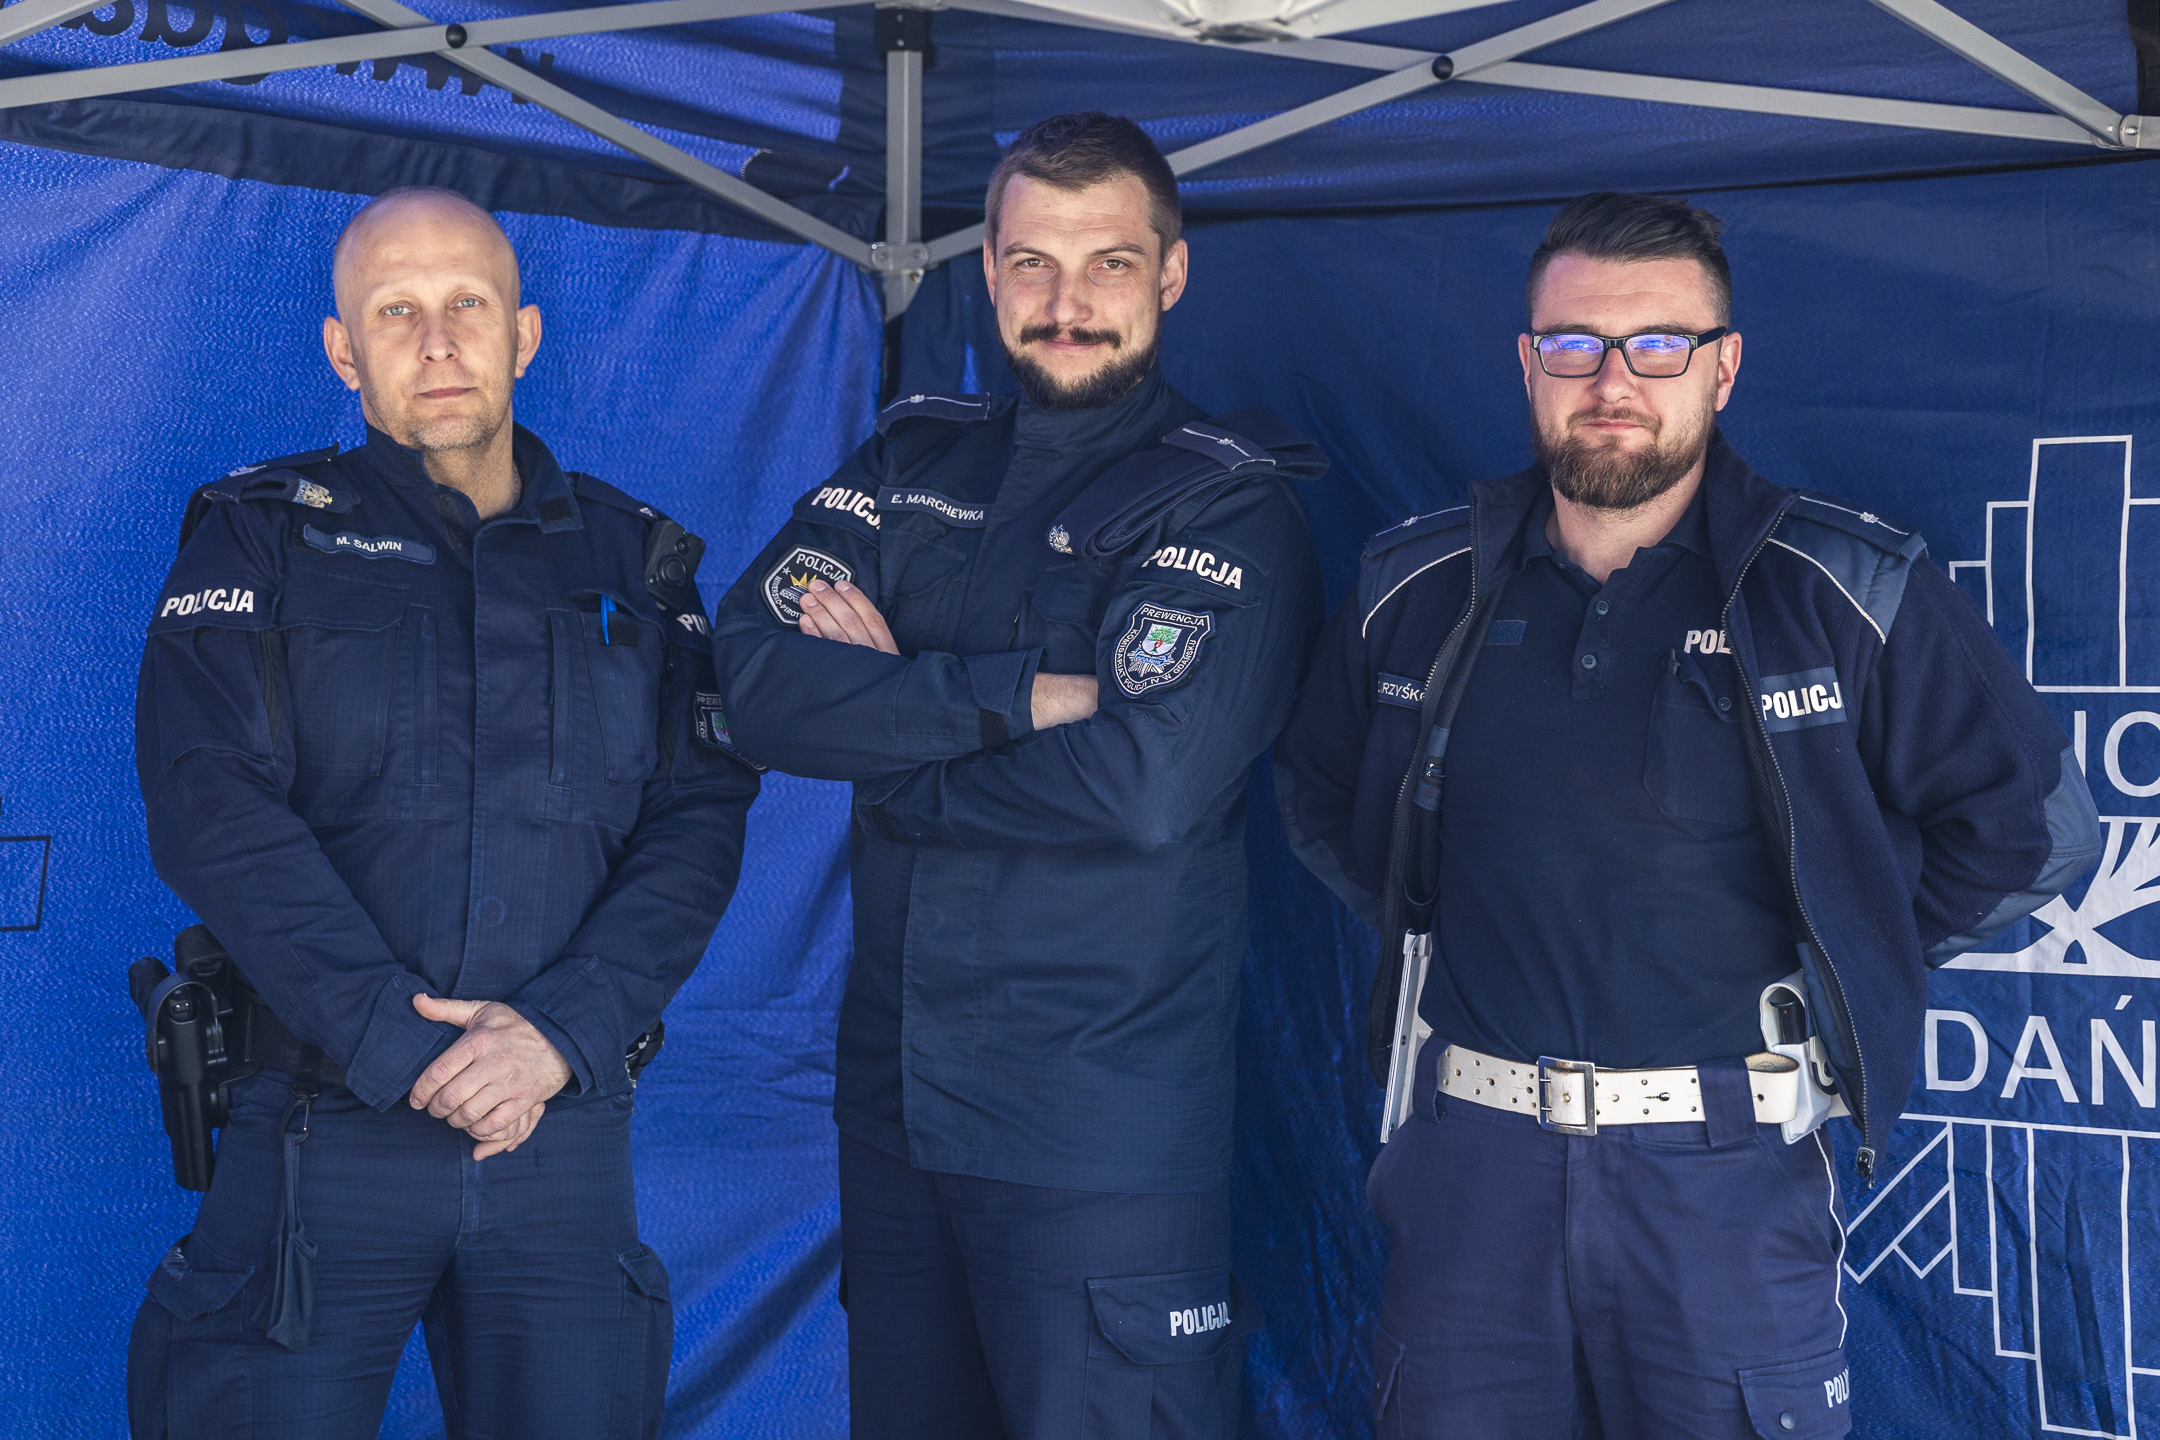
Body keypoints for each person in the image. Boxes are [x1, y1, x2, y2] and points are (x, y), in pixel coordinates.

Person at [1274, 191, 2102, 1439]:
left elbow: (2035, 831)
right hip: (1471, 1175)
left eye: (1659, 344)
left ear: (1723, 367)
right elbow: (1322, 794)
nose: (1614, 379)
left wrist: (1851, 937)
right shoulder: (1418, 583)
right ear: (1528, 363)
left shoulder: (1843, 586)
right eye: (1576, 344)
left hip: (1726, 1178)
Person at [709, 111, 1325, 1438]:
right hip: (897, 1116)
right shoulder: (912, 458)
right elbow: (752, 680)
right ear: (988, 271)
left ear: (1170, 274)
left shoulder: (1225, 505)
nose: (1066, 302)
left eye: (1109, 264)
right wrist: (1012, 698)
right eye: (1033, 263)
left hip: (1094, 1136)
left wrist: (889, 747)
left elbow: (1145, 788)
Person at [127, 187, 758, 1439]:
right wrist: (402, 1045)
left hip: (558, 1136)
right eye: (395, 311)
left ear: (523, 334)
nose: (435, 341)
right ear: (342, 350)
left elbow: (698, 821)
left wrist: (556, 1035)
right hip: (322, 1134)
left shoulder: (637, 566)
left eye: (467, 303)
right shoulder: (258, 540)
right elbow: (210, 808)